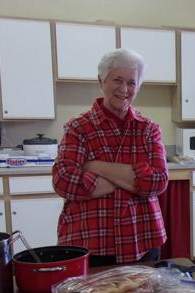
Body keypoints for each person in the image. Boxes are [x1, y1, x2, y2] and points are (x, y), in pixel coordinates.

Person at [52, 48, 168, 267]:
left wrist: (95, 167)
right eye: (117, 80)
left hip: (141, 238)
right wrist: (132, 181)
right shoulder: (78, 128)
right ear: (101, 81)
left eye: (132, 83)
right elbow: (64, 181)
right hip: (90, 241)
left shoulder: (148, 128)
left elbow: (158, 181)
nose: (124, 89)